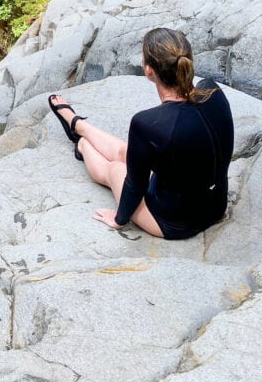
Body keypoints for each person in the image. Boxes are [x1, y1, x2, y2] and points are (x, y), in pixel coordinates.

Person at [48, 27, 234, 239]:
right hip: (215, 204)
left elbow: (135, 185)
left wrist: (118, 219)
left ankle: (82, 144)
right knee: (127, 152)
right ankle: (79, 125)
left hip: (174, 222)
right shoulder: (213, 90)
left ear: (149, 71)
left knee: (115, 168)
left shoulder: (148, 123)